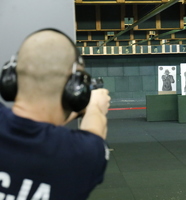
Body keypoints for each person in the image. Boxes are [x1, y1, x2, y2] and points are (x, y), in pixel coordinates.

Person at [0, 29, 111, 200]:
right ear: (74, 87)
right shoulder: (81, 155)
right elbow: (95, 134)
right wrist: (94, 106)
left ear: (11, 76)